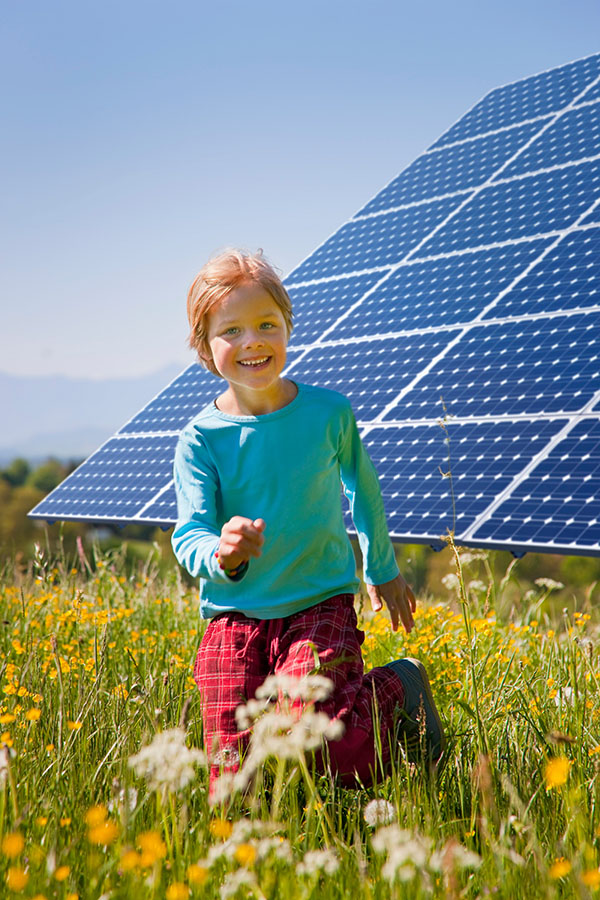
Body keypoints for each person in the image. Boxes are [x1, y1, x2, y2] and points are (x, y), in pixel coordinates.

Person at [171, 248, 445, 789]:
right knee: (234, 783)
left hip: (321, 601)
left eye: (266, 324)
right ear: (205, 348)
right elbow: (190, 535)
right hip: (235, 616)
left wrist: (381, 567)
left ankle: (396, 689)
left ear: (288, 328)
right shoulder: (200, 439)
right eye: (232, 331)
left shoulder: (328, 413)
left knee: (327, 747)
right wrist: (221, 553)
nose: (252, 341)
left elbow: (360, 487)